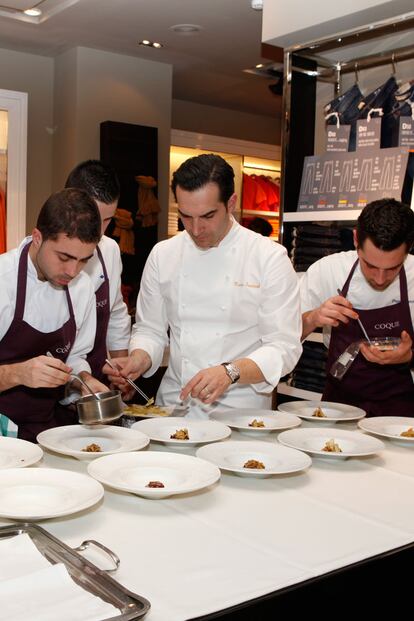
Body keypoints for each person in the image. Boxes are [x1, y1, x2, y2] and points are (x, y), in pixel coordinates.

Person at [104, 153, 302, 417]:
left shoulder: (268, 257)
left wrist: (230, 372)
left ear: (231, 203)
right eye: (186, 216)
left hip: (241, 412)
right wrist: (138, 359)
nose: (196, 229)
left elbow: (284, 348)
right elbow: (150, 330)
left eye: (207, 216)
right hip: (174, 405)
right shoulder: (164, 254)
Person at [0, 188, 105, 442]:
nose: (72, 271)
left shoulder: (82, 288)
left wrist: (84, 381)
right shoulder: (3, 280)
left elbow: (76, 357)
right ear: (37, 237)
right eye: (64, 257)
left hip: (45, 430)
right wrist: (19, 373)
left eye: (83, 261)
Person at [301, 198, 414, 416]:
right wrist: (313, 318)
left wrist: (409, 357)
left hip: (401, 411)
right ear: (355, 239)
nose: (380, 279)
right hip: (338, 407)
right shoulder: (327, 271)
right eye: (370, 265)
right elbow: (281, 337)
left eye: (393, 268)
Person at [65, 160, 131, 382]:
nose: (100, 231)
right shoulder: (44, 259)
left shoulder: (109, 250)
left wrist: (123, 372)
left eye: (108, 220)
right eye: (93, 219)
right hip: (49, 393)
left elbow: (116, 313)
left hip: (97, 386)